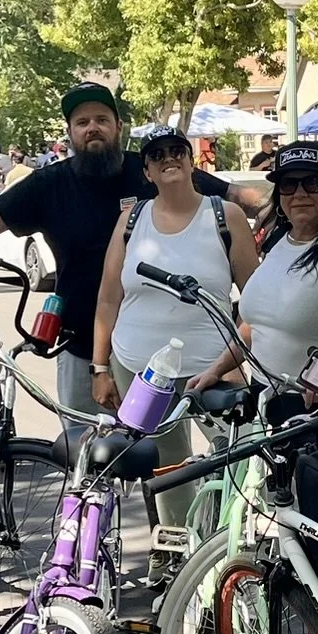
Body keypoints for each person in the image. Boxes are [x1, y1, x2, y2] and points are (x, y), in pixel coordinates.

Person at [0, 82, 239, 418]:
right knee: (85, 449)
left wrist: (286, 206)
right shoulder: (49, 184)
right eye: (82, 123)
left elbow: (234, 196)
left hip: (163, 350)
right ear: (69, 133)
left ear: (118, 127)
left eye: (101, 119)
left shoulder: (152, 167)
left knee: (168, 461)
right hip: (81, 345)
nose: (92, 128)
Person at [90, 123, 260, 531]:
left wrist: (232, 358)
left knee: (238, 461)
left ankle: (225, 551)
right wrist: (99, 367)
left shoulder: (225, 215)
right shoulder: (132, 220)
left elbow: (257, 302)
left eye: (176, 151)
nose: (169, 159)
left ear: (190, 160)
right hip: (141, 368)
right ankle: (175, 560)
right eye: (157, 155)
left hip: (215, 367)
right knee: (168, 470)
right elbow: (109, 296)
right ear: (147, 171)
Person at [189, 140, 318, 466]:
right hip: (268, 398)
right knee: (265, 507)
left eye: (311, 182)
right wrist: (217, 369)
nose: (299, 193)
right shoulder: (279, 241)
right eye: (288, 184)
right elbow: (256, 323)